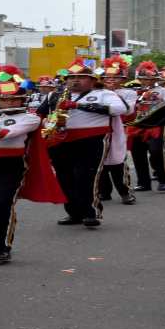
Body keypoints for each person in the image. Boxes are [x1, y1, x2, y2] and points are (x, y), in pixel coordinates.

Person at [43, 59, 127, 229]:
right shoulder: (54, 95)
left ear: (92, 80)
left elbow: (120, 109)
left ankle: (91, 212)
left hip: (91, 140)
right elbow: (38, 114)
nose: (75, 80)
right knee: (64, 178)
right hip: (60, 140)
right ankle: (73, 213)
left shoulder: (105, 94)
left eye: (81, 77)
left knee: (85, 177)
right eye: (71, 77)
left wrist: (78, 105)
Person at [0, 73, 45, 263]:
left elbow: (5, 134)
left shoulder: (30, 118)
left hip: (11, 164)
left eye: (15, 99)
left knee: (2, 202)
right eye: (5, 99)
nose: (10, 103)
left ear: (23, 99)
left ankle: (3, 246)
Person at [97, 56, 137, 205]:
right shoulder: (96, 92)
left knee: (117, 160)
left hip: (115, 129)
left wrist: (113, 94)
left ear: (123, 78)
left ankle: (124, 191)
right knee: (99, 161)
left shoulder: (129, 93)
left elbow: (128, 111)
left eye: (115, 77)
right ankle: (104, 191)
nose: (110, 79)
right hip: (97, 129)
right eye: (107, 76)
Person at [128, 61, 165, 192]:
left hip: (156, 126)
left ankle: (163, 181)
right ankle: (143, 182)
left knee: (156, 152)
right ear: (139, 79)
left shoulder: (164, 91)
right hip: (138, 126)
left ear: (156, 78)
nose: (147, 80)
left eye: (151, 78)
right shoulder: (133, 92)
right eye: (144, 78)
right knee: (137, 154)